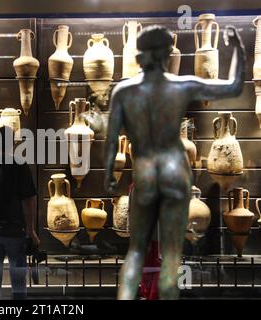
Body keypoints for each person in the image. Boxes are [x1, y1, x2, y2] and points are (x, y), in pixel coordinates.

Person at [104, 25, 245, 299]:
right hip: (174, 172)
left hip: (145, 172)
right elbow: (234, 86)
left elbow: (112, 140)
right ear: (167, 54)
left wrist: (109, 173)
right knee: (170, 253)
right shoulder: (181, 86)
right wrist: (237, 48)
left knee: (136, 250)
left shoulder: (124, 91)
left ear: (141, 54)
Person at [0, 125, 40, 300]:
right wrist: (31, 231)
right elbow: (28, 200)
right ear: (13, 144)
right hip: (15, 230)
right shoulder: (20, 166)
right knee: (19, 281)